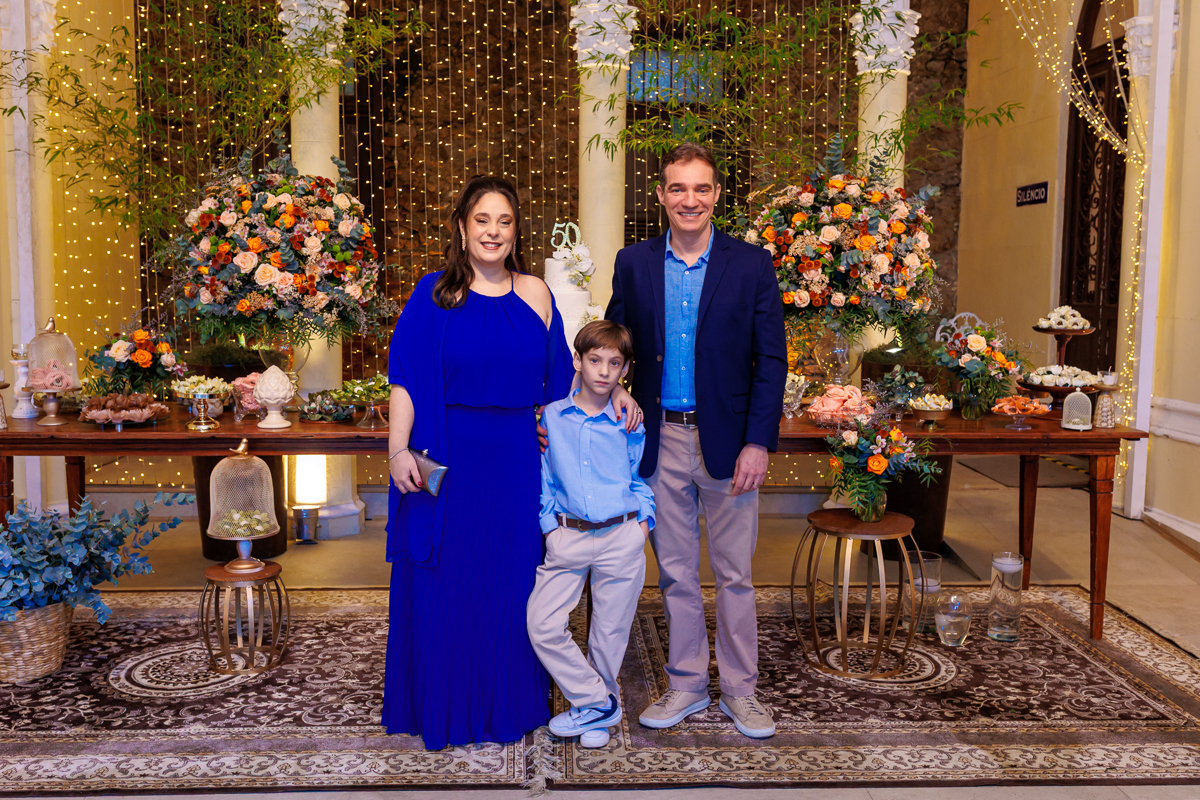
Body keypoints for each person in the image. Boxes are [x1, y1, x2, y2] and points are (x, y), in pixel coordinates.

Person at [382, 176, 642, 750]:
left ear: (516, 231)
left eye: (504, 221)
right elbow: (405, 379)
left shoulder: (537, 294)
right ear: (461, 227)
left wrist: (617, 390)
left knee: (512, 586)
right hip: (447, 456)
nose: (493, 231)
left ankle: (509, 704)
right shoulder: (432, 294)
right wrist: (399, 450)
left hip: (518, 462)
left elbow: (566, 377)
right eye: (482, 220)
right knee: (446, 585)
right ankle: (445, 703)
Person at [605, 143, 787, 739]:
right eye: (678, 188)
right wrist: (618, 388)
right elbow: (614, 344)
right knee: (676, 573)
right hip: (660, 439)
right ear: (661, 195)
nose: (690, 199)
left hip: (730, 443)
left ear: (716, 195)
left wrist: (758, 442)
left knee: (735, 574)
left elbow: (771, 360)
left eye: (701, 188)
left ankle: (740, 690)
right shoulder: (633, 262)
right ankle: (686, 684)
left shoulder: (751, 264)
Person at [526, 320, 655, 748]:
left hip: (622, 534)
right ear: (577, 361)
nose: (604, 371)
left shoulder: (628, 420)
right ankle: (598, 701)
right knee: (542, 623)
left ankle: (595, 716)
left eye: (614, 363)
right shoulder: (550, 417)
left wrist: (643, 523)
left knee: (609, 633)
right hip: (569, 537)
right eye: (595, 360)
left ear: (625, 370)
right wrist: (550, 528)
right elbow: (544, 480)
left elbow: (637, 477)